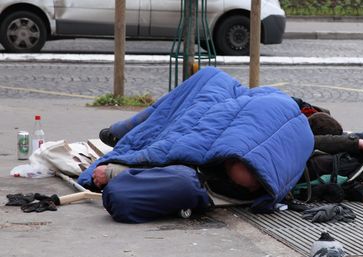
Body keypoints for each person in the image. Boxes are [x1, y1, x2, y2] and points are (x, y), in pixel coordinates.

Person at [79, 67, 314, 223]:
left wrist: (116, 168)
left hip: (234, 152)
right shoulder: (297, 126)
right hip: (240, 127)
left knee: (207, 83)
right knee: (209, 82)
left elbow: (185, 146)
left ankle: (123, 132)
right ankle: (123, 132)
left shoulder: (296, 129)